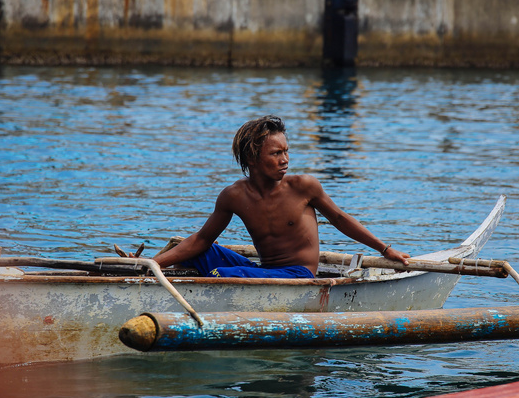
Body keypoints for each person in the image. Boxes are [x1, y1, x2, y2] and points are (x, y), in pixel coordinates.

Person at [152, 115, 410, 278]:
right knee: (189, 251)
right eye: (276, 153)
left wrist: (386, 249)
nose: (285, 160)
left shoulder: (304, 186)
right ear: (252, 159)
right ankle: (153, 276)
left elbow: (341, 219)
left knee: (222, 273)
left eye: (286, 151)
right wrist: (151, 263)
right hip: (266, 272)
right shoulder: (233, 195)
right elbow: (203, 239)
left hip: (298, 274)